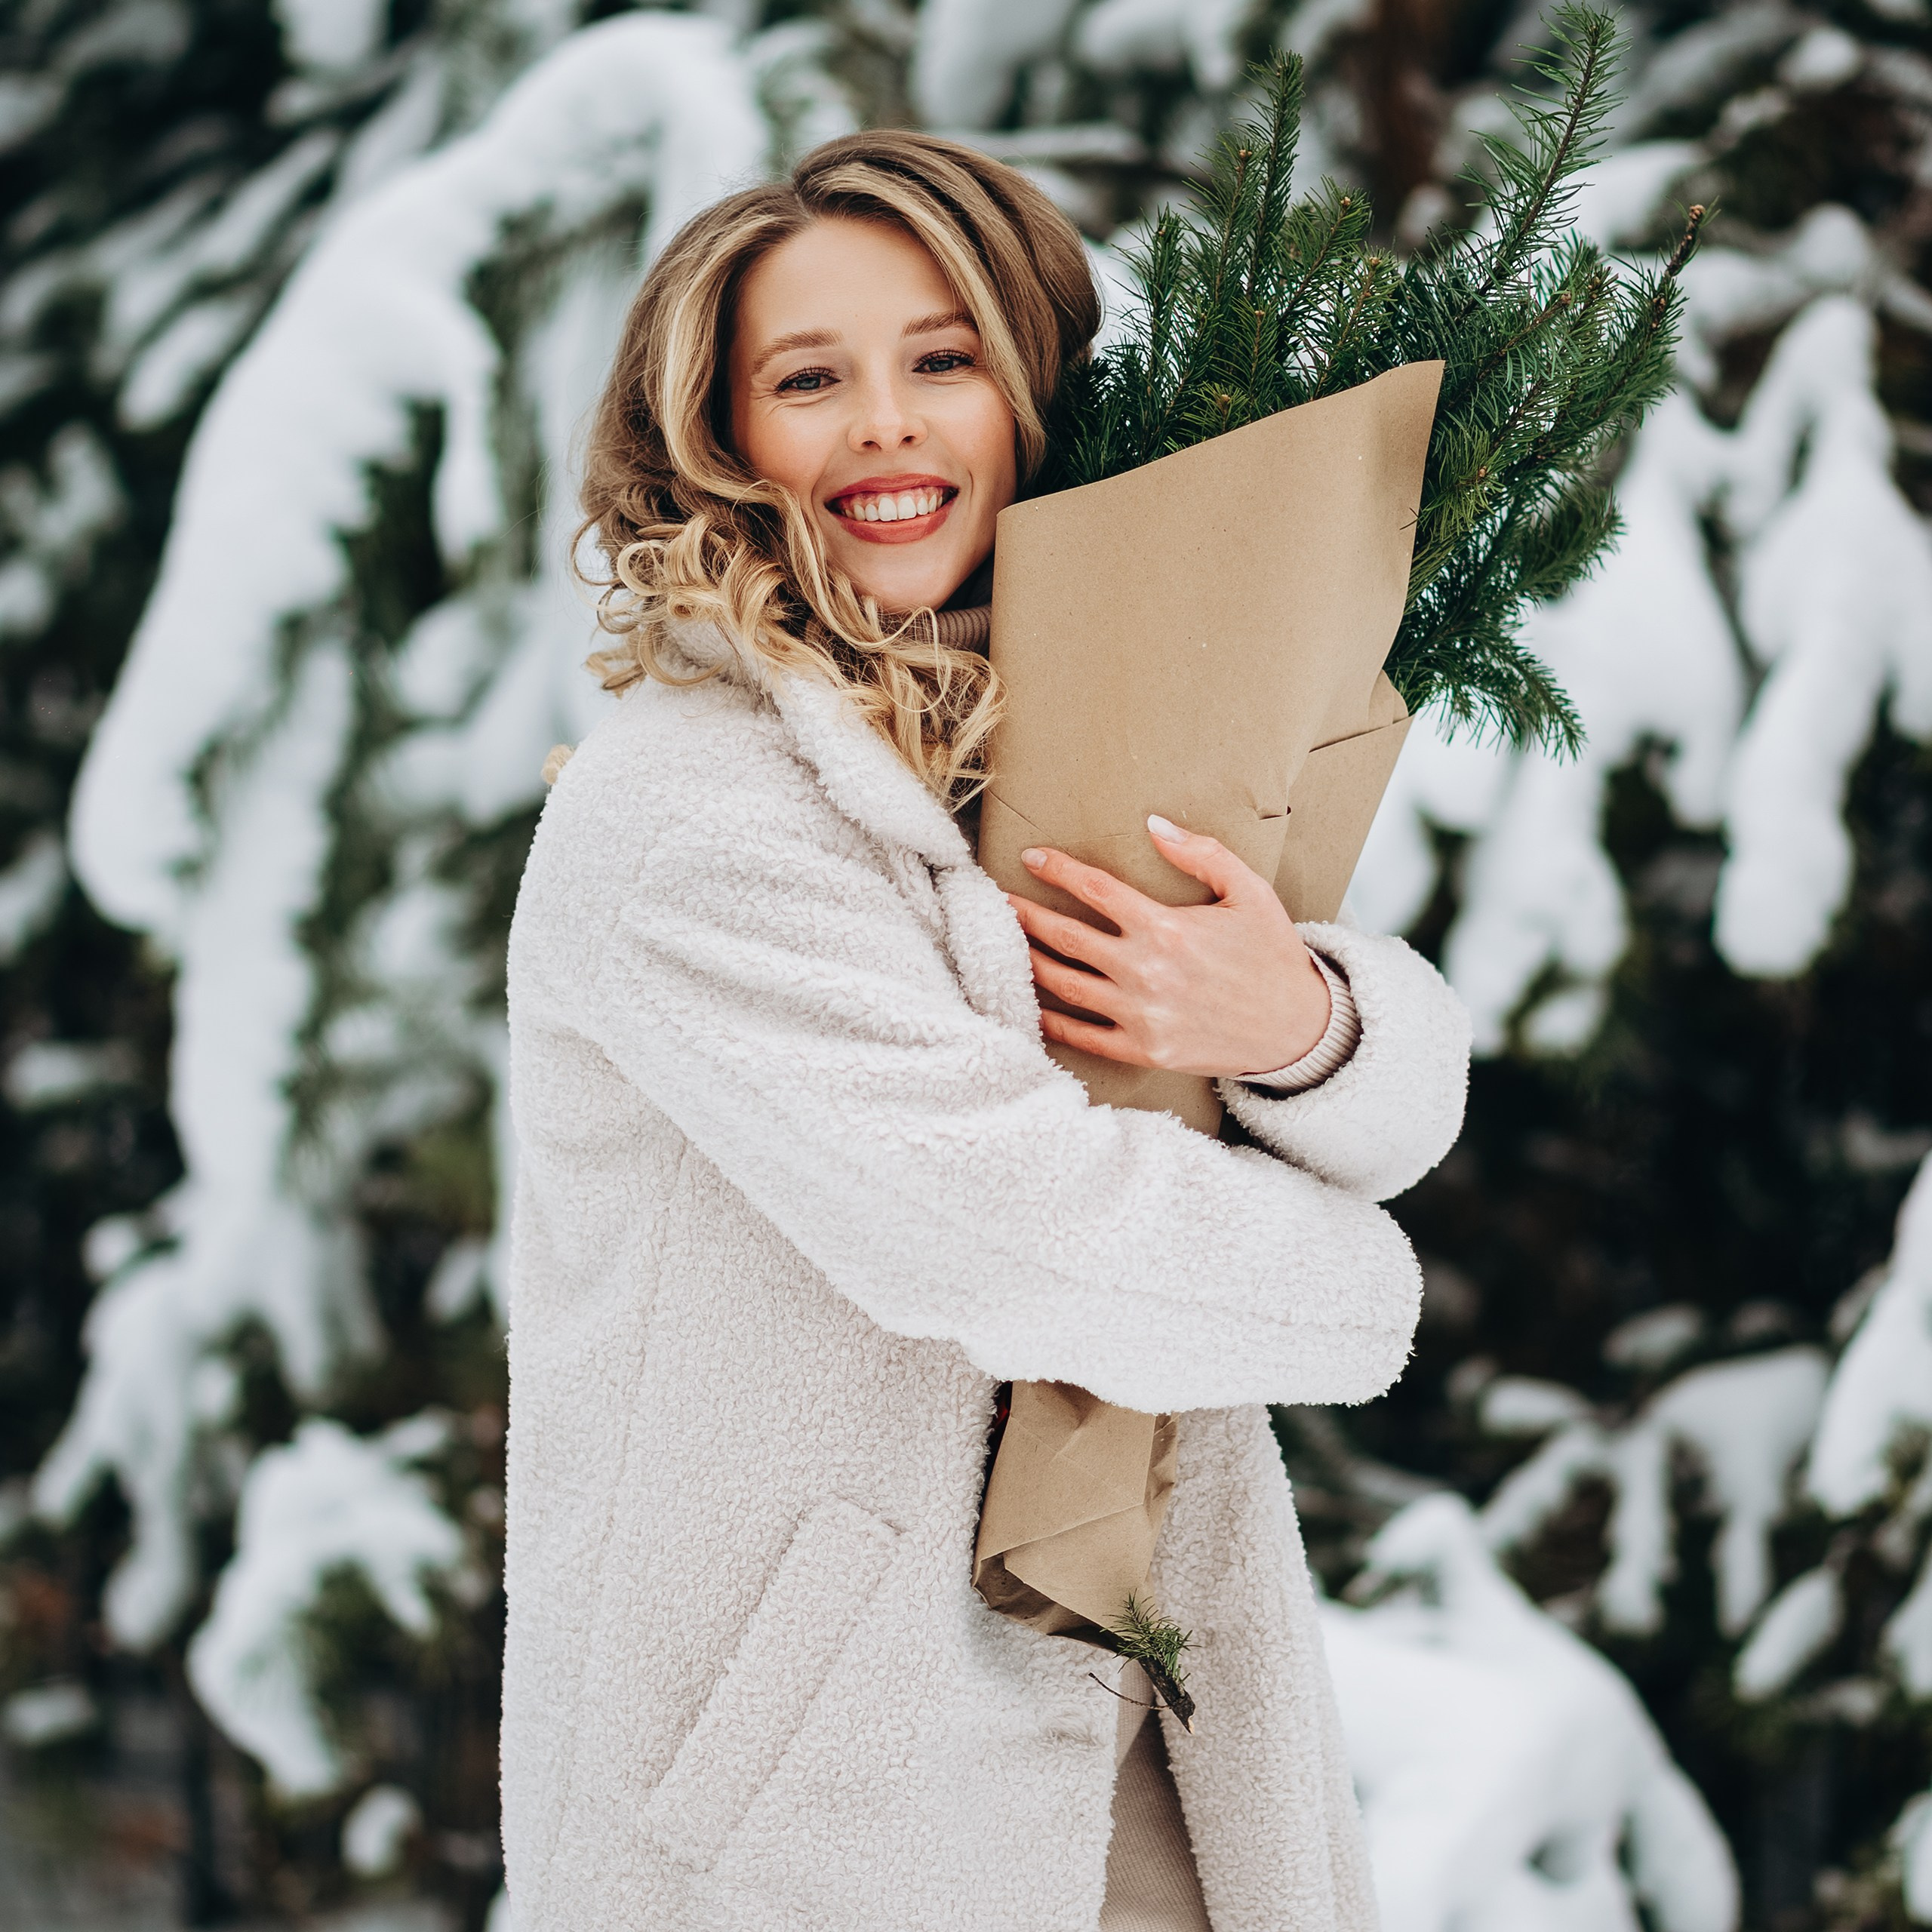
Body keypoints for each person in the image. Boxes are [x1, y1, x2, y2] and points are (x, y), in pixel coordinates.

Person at [500, 131, 1471, 1932]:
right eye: (810, 378)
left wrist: (1298, 1018)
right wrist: (1368, 1287)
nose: (885, 422)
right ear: (715, 442)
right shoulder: (687, 817)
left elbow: (1381, 1098)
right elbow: (1001, 1223)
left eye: (940, 358)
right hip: (817, 1797)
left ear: (1026, 392)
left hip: (1152, 1718)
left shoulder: (1084, 729)